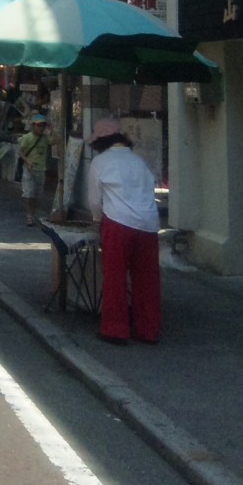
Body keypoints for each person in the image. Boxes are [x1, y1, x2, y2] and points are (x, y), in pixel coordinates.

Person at [87, 118, 161, 345]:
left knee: (115, 278)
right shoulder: (138, 161)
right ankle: (148, 330)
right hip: (149, 224)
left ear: (100, 142)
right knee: (147, 279)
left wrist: (98, 220)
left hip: (117, 222)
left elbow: (94, 200)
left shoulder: (101, 161)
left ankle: (115, 329)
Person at [18, 113, 52, 225]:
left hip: (41, 169)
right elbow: (20, 152)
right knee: (28, 194)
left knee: (37, 195)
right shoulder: (27, 137)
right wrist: (27, 161)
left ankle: (32, 214)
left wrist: (52, 130)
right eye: (39, 125)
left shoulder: (45, 138)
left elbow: (57, 142)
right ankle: (29, 215)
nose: (41, 128)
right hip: (29, 169)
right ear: (33, 125)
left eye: (43, 125)